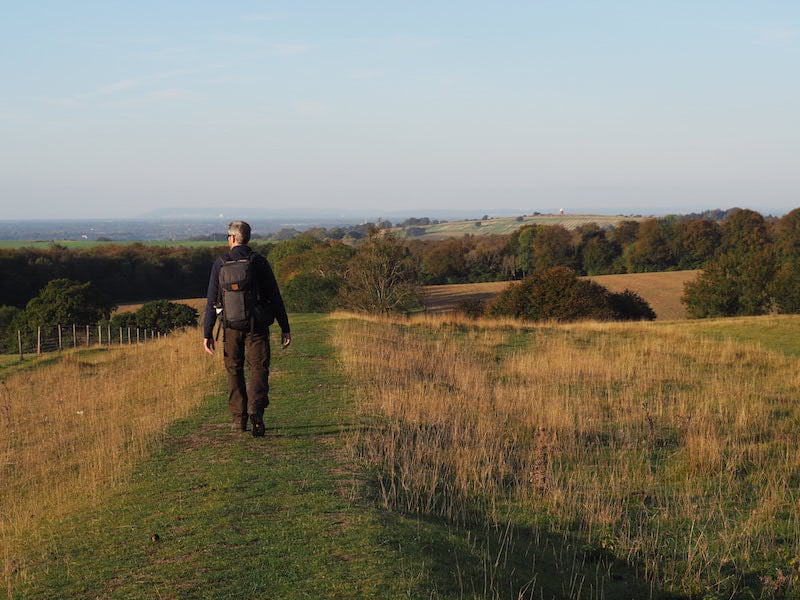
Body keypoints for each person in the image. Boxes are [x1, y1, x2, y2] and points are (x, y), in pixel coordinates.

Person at [203, 221, 291, 437]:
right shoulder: (259, 261)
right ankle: (256, 411)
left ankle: (238, 418)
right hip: (257, 326)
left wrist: (207, 333)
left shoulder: (221, 263)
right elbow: (275, 296)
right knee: (259, 368)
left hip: (230, 326)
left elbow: (212, 301)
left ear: (232, 238)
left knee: (234, 369)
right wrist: (284, 327)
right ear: (247, 238)